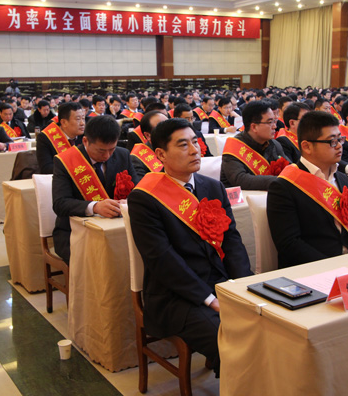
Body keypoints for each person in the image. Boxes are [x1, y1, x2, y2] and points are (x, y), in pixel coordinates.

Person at [128, 118, 253, 377]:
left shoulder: (212, 187)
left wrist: (241, 285)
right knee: (230, 338)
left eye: (195, 142)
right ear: (161, 154)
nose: (195, 150)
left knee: (268, 323)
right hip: (177, 296)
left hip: (220, 283)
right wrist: (209, 299)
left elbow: (232, 240)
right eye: (183, 145)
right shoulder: (144, 199)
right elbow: (162, 259)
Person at [267, 111, 348, 268]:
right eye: (332, 141)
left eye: (340, 139)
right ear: (307, 146)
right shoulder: (285, 186)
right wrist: (333, 267)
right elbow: (289, 244)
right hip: (314, 270)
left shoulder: (343, 179)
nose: (339, 146)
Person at [52, 115, 138, 263]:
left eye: (111, 149)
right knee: (98, 260)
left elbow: (137, 191)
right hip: (76, 232)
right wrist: (95, 207)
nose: (107, 156)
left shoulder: (122, 155)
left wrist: (128, 201)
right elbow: (60, 204)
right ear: (85, 141)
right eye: (101, 151)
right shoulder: (66, 161)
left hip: (120, 227)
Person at [220, 101, 290, 190]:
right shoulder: (234, 146)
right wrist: (281, 180)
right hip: (242, 197)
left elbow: (288, 167)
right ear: (254, 127)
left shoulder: (274, 144)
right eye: (270, 122)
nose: (274, 126)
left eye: (274, 121)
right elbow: (240, 179)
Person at [36, 102, 85, 174]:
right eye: (78, 119)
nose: (82, 123)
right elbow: (46, 168)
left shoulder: (86, 135)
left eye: (83, 118)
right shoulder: (45, 138)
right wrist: (75, 168)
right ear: (64, 122)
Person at [130, 110, 167, 178]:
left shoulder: (179, 146)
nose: (170, 130)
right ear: (148, 135)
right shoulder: (137, 159)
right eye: (162, 128)